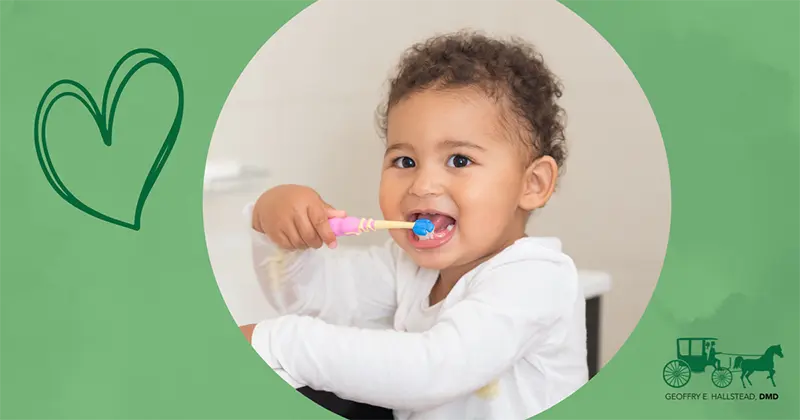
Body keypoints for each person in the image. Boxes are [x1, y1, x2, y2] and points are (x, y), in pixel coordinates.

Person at [238, 30, 588, 420]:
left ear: (532, 184)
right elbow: (311, 300)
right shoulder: (409, 267)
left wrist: (280, 342)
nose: (422, 185)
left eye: (458, 160)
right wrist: (273, 225)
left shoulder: (537, 277)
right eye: (404, 162)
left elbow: (434, 368)